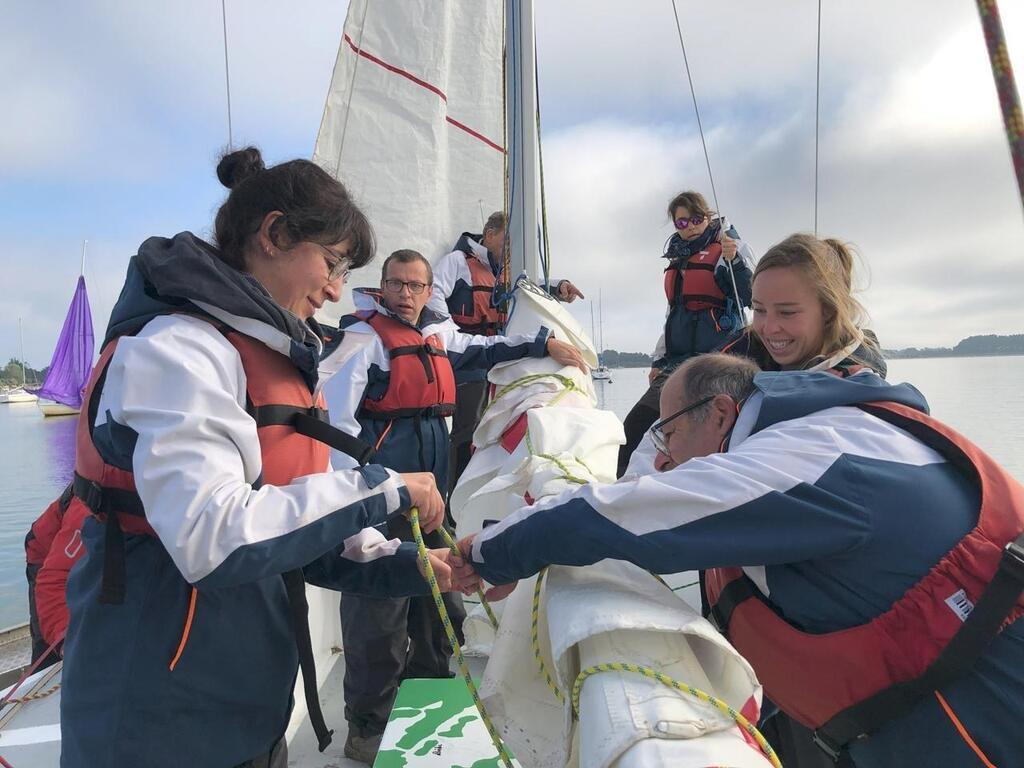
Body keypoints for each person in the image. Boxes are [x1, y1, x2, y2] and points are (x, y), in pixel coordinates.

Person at [58, 147, 477, 768]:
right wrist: (385, 488)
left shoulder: (271, 354)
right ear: (275, 234)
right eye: (332, 263)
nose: (337, 289)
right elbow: (214, 536)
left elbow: (293, 528)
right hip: (156, 717)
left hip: (246, 701)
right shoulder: (177, 351)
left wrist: (417, 564)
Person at [459, 353, 1024, 767]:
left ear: (722, 413)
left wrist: (487, 555)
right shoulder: (840, 427)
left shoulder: (796, 458)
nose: (665, 458)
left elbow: (621, 512)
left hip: (983, 712)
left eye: (669, 435)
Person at [322, 248, 585, 763]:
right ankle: (368, 726)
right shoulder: (361, 342)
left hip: (430, 498)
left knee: (440, 598)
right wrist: (364, 493)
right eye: (396, 284)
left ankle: (432, 693)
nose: (405, 294)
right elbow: (336, 432)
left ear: (427, 291)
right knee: (378, 612)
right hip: (380, 499)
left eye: (415, 285)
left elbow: (489, 348)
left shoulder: (436, 337)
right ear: (381, 286)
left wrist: (545, 343)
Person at [429, 211, 585, 500]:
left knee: (500, 428)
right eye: (508, 240)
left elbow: (525, 287)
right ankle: (455, 500)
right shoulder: (456, 263)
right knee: (467, 432)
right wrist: (443, 332)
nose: (513, 248)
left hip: (501, 361)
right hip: (470, 362)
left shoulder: (505, 271)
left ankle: (494, 492)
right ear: (489, 235)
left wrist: (558, 287)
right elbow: (433, 297)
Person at [617, 190, 754, 477]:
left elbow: (750, 297)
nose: (690, 227)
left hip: (717, 358)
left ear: (707, 217)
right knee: (637, 425)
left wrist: (736, 262)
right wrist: (658, 360)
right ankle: (626, 489)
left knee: (701, 432)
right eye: (681, 223)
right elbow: (673, 314)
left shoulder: (728, 248)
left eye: (696, 219)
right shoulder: (677, 261)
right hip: (677, 361)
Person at [720, 233, 886, 377]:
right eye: (759, 309)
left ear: (828, 310)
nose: (769, 328)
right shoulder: (730, 362)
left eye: (786, 312)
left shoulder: (860, 396)